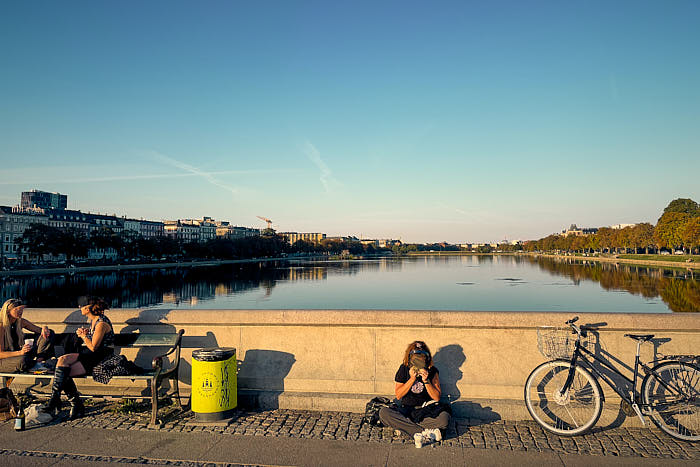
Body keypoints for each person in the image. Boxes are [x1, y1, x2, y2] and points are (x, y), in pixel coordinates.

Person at [44, 297, 115, 419]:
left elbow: (93, 347)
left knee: (63, 373)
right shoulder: (94, 320)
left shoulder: (101, 323)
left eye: (81, 306)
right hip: (89, 355)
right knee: (62, 361)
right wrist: (86, 333)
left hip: (100, 357)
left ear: (88, 308)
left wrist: (83, 336)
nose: (79, 308)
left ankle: (74, 404)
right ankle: (56, 400)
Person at [379, 340, 451, 448]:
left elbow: (436, 397)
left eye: (421, 360)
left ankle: (406, 428)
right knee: (384, 413)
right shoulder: (404, 368)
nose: (419, 363)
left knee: (444, 419)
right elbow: (398, 395)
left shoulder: (432, 371)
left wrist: (426, 381)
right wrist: (412, 379)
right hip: (407, 410)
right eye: (416, 360)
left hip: (426, 411)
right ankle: (424, 433)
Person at [0, 299, 54, 373]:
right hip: (5, 361)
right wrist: (20, 352)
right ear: (8, 311)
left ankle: (38, 363)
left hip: (20, 354)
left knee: (49, 333)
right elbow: (0, 354)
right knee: (23, 360)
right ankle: (35, 365)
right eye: (17, 309)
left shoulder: (20, 322)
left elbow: (40, 331)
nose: (20, 312)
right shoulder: (1, 327)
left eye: (22, 309)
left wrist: (45, 328)